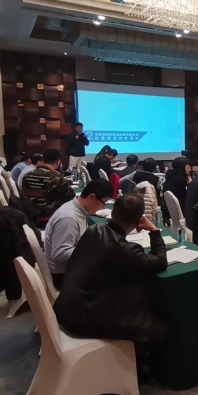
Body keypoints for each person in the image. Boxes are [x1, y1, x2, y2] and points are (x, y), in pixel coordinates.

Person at [53, 194, 168, 359]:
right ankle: (133, 365)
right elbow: (161, 262)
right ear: (138, 222)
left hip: (66, 309)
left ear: (112, 214)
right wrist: (154, 231)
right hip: (84, 321)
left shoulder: (94, 230)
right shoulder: (126, 250)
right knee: (159, 330)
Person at [43, 179, 113, 289]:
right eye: (103, 203)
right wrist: (91, 249)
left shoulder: (76, 208)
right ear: (92, 197)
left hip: (70, 268)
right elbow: (59, 254)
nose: (102, 207)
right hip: (63, 275)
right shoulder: (69, 218)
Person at [21, 148, 76, 224]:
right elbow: (70, 195)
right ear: (58, 162)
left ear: (43, 160)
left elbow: (24, 195)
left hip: (30, 217)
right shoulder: (54, 176)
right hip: (51, 217)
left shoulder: (27, 175)